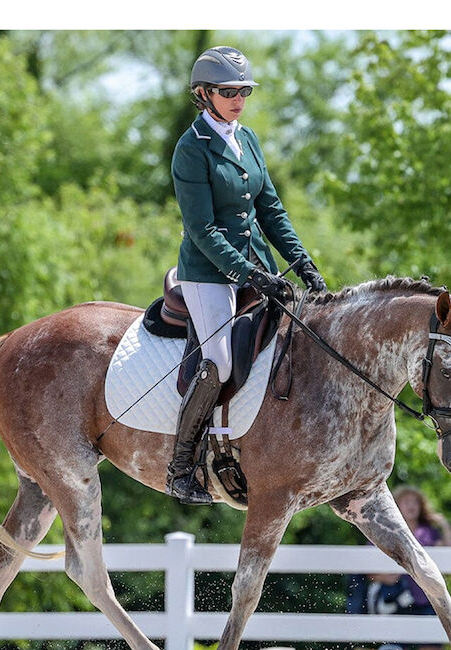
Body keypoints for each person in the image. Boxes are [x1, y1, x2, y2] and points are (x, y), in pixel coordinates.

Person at [165, 45, 328, 505]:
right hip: (208, 274)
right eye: (228, 91)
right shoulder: (189, 150)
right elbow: (202, 230)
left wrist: (303, 262)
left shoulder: (249, 138)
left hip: (257, 266)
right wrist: (249, 274)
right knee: (218, 360)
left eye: (244, 91)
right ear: (203, 94)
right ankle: (181, 466)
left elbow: (270, 209)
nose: (238, 98)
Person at [346, 486, 451, 650]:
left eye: (415, 502)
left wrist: (444, 524)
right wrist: (382, 576)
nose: (411, 506)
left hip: (426, 598)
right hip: (396, 599)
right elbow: (366, 566)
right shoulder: (384, 529)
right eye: (406, 501)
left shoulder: (428, 532)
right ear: (396, 505)